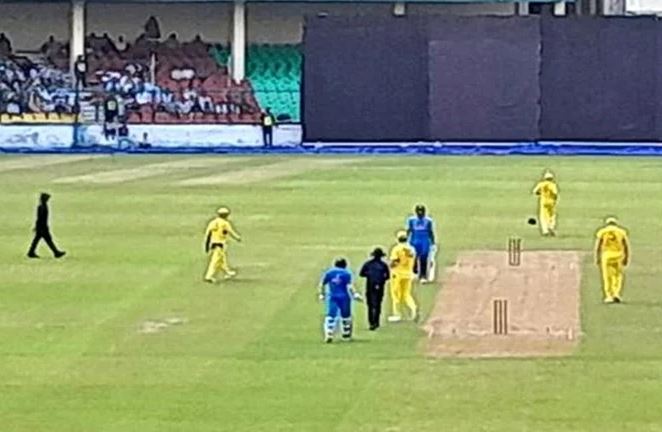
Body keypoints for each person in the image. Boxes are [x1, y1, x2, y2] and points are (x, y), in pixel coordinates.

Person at [318, 258, 362, 343]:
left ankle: (329, 333)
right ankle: (346, 334)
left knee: (331, 315)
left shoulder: (329, 272)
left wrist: (321, 294)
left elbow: (322, 284)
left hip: (333, 296)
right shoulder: (346, 273)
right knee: (346, 316)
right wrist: (355, 294)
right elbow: (350, 286)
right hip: (344, 297)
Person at [595, 217, 630, 304]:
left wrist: (597, 257)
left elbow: (598, 245)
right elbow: (625, 245)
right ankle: (616, 293)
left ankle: (609, 296)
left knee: (607, 276)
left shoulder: (602, 232)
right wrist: (626, 257)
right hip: (618, 255)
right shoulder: (621, 232)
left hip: (606, 256)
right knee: (618, 276)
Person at [203, 207, 241, 283]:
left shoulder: (213, 222)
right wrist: (237, 238)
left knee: (222, 260)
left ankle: (228, 272)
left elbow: (208, 234)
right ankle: (208, 276)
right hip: (220, 244)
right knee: (215, 260)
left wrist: (206, 245)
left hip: (213, 243)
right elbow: (231, 232)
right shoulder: (225, 223)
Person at [388, 230, 418, 322]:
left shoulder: (396, 249)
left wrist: (390, 265)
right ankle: (413, 309)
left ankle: (397, 314)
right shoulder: (411, 249)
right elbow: (414, 260)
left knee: (396, 295)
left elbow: (395, 261)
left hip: (397, 274)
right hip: (408, 273)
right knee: (406, 294)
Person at [27, 193, 66, 259]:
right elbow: (40, 218)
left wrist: (37, 226)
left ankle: (31, 252)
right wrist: (40, 227)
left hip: (41, 227)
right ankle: (56, 252)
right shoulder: (43, 207)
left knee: (37, 240)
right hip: (43, 227)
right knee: (48, 240)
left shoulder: (42, 206)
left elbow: (39, 218)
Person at [359, 247, 390, 330]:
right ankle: (376, 321)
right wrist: (381, 279)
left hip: (370, 286)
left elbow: (361, 274)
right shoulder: (383, 265)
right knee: (378, 304)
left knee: (370, 305)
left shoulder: (368, 264)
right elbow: (387, 276)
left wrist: (369, 275)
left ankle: (371, 322)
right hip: (380, 286)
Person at [406, 204, 436, 283]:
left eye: (421, 212)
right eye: (418, 212)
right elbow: (409, 230)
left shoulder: (428, 220)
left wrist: (433, 242)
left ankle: (423, 276)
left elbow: (430, 232)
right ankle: (414, 272)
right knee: (413, 258)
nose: (420, 214)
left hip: (424, 241)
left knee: (423, 258)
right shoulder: (411, 220)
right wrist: (406, 240)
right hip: (414, 240)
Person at [532, 170, 559, 236]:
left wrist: (541, 194)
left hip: (543, 202)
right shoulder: (553, 185)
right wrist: (555, 199)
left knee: (543, 216)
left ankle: (545, 230)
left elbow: (535, 191)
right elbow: (555, 193)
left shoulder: (541, 184)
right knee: (552, 216)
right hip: (551, 202)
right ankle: (551, 227)